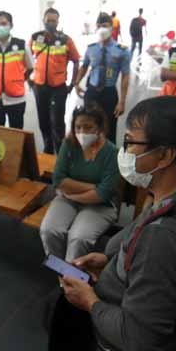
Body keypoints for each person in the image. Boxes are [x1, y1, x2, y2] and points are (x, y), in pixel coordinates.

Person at [60, 96, 176, 351]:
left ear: (164, 155)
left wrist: (89, 301)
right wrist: (110, 258)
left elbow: (140, 341)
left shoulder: (162, 238)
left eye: (130, 142)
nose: (123, 152)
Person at [40, 103, 118, 261]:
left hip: (100, 206)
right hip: (67, 199)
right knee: (49, 230)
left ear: (99, 127)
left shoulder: (111, 152)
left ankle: (74, 278)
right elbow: (58, 180)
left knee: (79, 238)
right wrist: (93, 187)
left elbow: (103, 194)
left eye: (88, 127)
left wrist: (72, 195)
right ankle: (60, 271)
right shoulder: (69, 144)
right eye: (78, 127)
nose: (82, 132)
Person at [74, 13, 132, 144]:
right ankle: (88, 154)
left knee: (109, 128)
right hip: (92, 92)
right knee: (88, 125)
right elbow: (84, 67)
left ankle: (108, 159)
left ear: (112, 28)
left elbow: (125, 76)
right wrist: (76, 83)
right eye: (99, 26)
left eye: (105, 26)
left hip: (109, 93)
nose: (101, 29)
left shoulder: (122, 50)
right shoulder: (91, 49)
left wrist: (122, 101)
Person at [30, 8, 81, 154]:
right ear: (43, 20)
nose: (50, 23)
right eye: (48, 20)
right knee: (43, 120)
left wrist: (72, 83)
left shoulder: (65, 40)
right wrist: (29, 79)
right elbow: (26, 58)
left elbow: (76, 60)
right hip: (39, 87)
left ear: (58, 22)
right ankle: (48, 148)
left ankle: (61, 152)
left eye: (53, 20)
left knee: (57, 122)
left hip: (58, 88)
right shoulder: (35, 37)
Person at [0, 10, 34, 129]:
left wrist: (19, 79)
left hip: (16, 99)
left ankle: (15, 149)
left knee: (16, 132)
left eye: (4, 23)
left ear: (11, 25)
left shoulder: (21, 44)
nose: (1, 27)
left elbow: (30, 67)